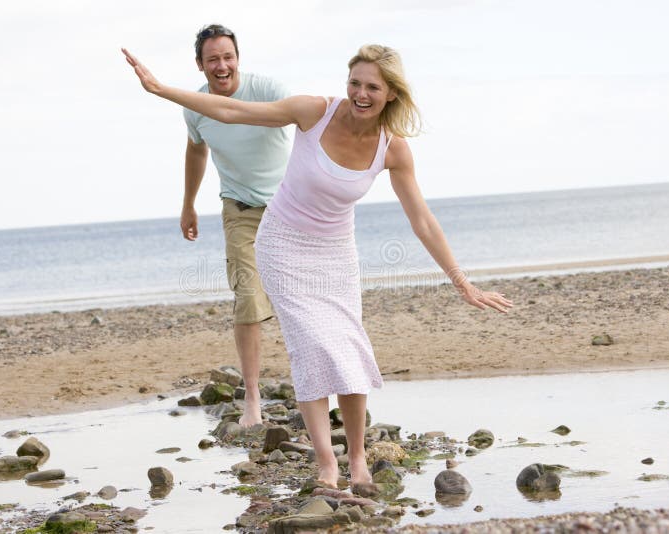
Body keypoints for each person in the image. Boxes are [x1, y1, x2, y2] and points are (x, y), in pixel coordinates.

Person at [122, 44, 512, 490]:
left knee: (348, 348)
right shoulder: (314, 112)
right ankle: (328, 462)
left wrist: (462, 283)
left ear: (390, 94)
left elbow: (422, 220)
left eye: (372, 87)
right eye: (355, 83)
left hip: (336, 255)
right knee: (310, 347)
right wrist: (161, 89)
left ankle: (359, 459)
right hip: (283, 245)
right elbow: (230, 111)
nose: (360, 94)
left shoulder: (393, 149)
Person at [179, 24, 291, 427]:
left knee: (301, 298)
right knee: (247, 298)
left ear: (238, 58)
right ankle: (253, 399)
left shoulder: (268, 90)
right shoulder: (195, 106)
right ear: (201, 65)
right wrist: (189, 204)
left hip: (288, 210)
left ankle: (319, 384)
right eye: (213, 59)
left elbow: (310, 126)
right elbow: (196, 150)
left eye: (228, 57)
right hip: (239, 210)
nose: (222, 65)